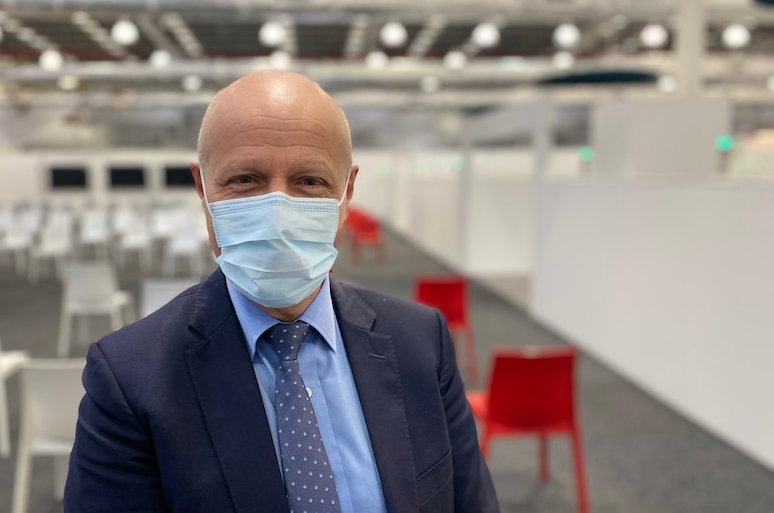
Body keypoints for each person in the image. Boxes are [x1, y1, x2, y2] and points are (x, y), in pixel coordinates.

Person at [64, 71, 501, 513]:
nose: (279, 213)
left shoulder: (420, 342)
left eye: (309, 181)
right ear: (202, 187)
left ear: (347, 191)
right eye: (245, 180)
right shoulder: (130, 380)